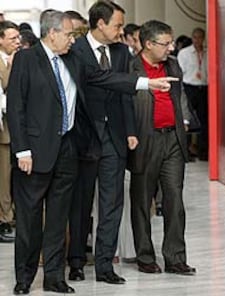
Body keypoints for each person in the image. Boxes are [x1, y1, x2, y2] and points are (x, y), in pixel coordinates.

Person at [8, 9, 177, 295]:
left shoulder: (74, 59)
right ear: (52, 34)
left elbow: (105, 78)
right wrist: (22, 150)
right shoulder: (27, 59)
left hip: (67, 149)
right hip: (34, 153)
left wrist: (146, 83)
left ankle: (54, 277)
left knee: (59, 218)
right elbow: (16, 106)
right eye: (69, 35)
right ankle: (24, 279)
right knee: (30, 219)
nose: (73, 41)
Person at [67, 0, 137, 285]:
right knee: (80, 204)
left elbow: (124, 93)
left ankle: (105, 265)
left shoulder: (121, 51)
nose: (121, 31)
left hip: (115, 137)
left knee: (112, 203)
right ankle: (76, 261)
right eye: (118, 25)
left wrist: (131, 130)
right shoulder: (76, 50)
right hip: (84, 137)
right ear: (100, 23)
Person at [128, 19, 196, 276]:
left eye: (171, 42)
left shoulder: (173, 64)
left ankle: (175, 258)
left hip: (173, 141)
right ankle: (145, 256)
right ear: (148, 44)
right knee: (142, 201)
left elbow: (180, 96)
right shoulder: (131, 67)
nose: (170, 48)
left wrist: (185, 121)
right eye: (165, 43)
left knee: (175, 201)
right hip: (145, 141)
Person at [0, 20, 20, 243]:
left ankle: (10, 216)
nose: (17, 42)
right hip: (3, 129)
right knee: (3, 179)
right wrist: (13, 65)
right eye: (12, 38)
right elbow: (7, 86)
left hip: (15, 129)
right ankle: (5, 220)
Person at [177, 27, 208, 160]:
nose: (197, 40)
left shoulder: (208, 52)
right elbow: (180, 72)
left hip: (204, 88)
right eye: (195, 37)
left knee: (204, 121)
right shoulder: (184, 53)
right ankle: (186, 151)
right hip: (189, 87)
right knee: (187, 119)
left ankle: (203, 151)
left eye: (200, 37)